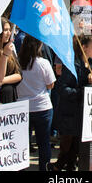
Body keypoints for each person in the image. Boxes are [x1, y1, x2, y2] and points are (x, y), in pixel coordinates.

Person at [49, 35, 92, 171]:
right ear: (84, 48)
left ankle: (64, 166)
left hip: (83, 114)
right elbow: (63, 89)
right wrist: (83, 91)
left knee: (75, 147)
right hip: (70, 113)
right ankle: (59, 166)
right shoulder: (72, 65)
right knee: (67, 146)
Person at [17, 35, 56, 171]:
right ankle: (44, 168)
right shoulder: (43, 63)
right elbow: (51, 84)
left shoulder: (18, 62)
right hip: (42, 107)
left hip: (22, 106)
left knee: (22, 142)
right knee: (43, 142)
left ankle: (21, 166)